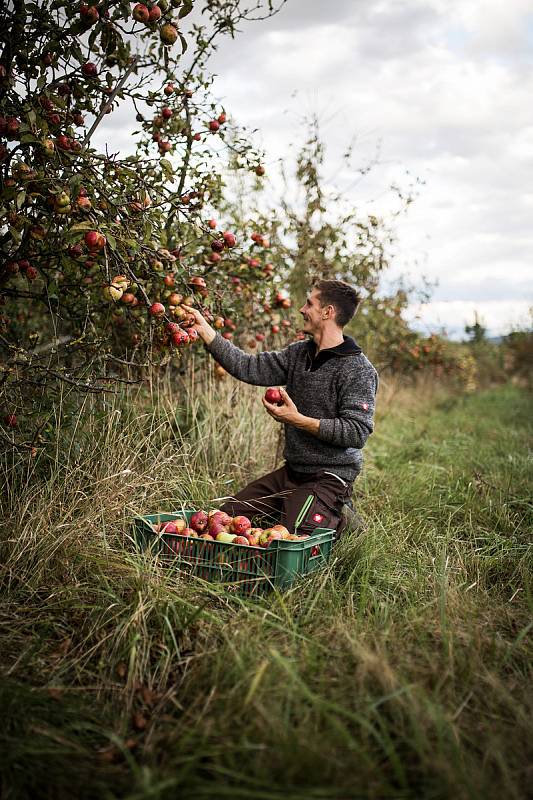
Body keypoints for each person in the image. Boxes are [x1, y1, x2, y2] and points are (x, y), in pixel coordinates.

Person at [181, 279, 378, 539]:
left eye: (309, 303)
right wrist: (205, 330)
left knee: (291, 539)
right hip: (292, 472)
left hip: (329, 475)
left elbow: (356, 432)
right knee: (224, 519)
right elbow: (247, 366)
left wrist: (298, 420)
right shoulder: (298, 354)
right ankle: (300, 507)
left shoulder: (358, 370)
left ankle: (340, 517)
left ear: (327, 312)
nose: (301, 309)